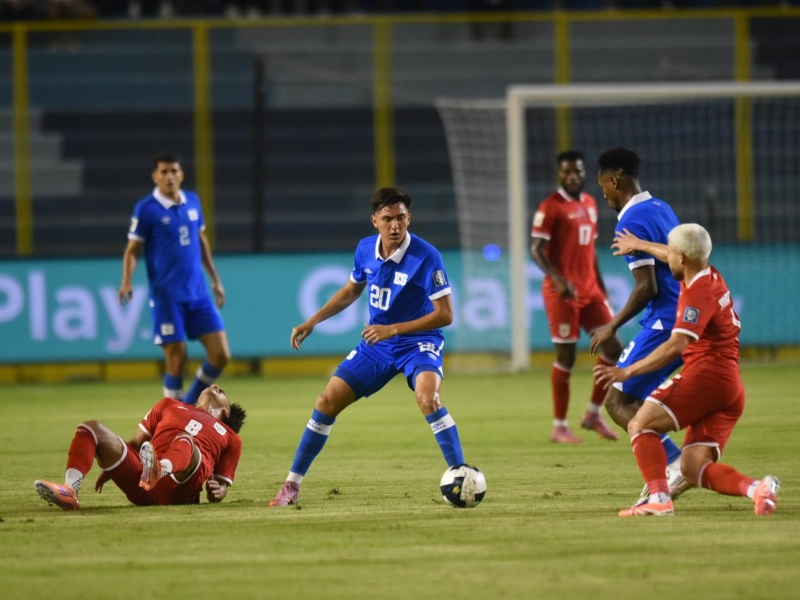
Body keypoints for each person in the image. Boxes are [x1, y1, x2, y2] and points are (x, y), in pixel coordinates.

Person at [269, 187, 468, 507]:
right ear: (375, 220)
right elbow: (351, 290)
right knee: (326, 401)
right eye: (387, 219)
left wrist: (394, 329)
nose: (395, 226)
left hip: (418, 342)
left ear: (409, 218)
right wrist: (313, 320)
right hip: (378, 345)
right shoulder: (365, 249)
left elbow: (444, 315)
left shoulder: (427, 256)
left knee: (428, 398)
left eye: (401, 218)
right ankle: (291, 486)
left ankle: (460, 475)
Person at [594, 223, 780, 517]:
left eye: (672, 255)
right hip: (730, 385)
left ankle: (659, 498)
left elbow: (677, 345)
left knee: (640, 423)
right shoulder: (706, 272)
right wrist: (640, 245)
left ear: (681, 259)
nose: (667, 259)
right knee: (693, 468)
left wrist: (628, 372)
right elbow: (671, 251)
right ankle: (758, 489)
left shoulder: (697, 294)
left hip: (707, 376)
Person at [588, 147, 685, 496]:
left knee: (616, 401)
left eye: (603, 187)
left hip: (665, 322)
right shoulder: (662, 207)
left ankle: (674, 466)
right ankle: (675, 464)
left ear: (614, 180)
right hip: (685, 317)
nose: (603, 195)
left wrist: (611, 324)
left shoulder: (630, 221)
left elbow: (647, 287)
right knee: (636, 399)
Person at [118, 152, 231, 405]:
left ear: (181, 174)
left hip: (198, 294)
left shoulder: (192, 201)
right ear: (154, 176)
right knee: (177, 357)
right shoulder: (146, 209)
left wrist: (215, 279)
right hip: (167, 297)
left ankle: (187, 407)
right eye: (164, 172)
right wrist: (126, 280)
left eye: (174, 171)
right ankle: (168, 420)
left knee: (221, 354)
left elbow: (201, 241)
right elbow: (132, 249)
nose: (169, 176)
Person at [530, 150, 622, 444]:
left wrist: (602, 287)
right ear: (559, 174)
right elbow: (536, 249)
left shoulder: (591, 204)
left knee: (614, 348)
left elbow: (589, 250)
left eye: (578, 172)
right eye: (567, 172)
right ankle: (559, 426)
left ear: (585, 175)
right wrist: (558, 280)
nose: (572, 177)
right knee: (567, 356)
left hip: (590, 291)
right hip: (563, 294)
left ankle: (593, 414)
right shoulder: (550, 207)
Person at [35, 385, 246, 510]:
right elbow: (135, 444)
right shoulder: (168, 405)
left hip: (179, 490)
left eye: (222, 393)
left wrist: (219, 492)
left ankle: (158, 469)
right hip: (142, 485)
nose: (216, 386)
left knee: (186, 440)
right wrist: (112, 465)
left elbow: (220, 487)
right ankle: (70, 490)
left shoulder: (230, 437)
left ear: (226, 412)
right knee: (91, 428)